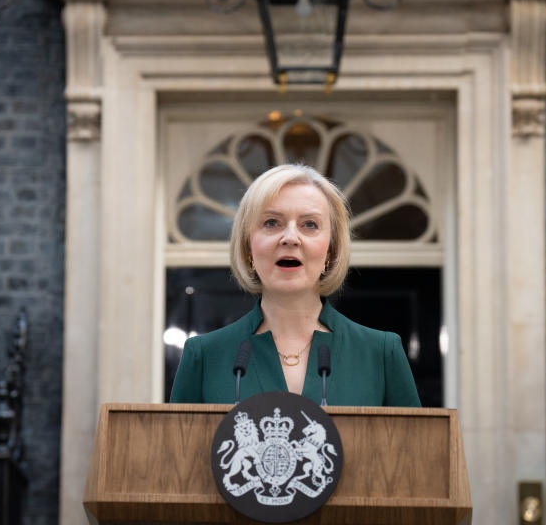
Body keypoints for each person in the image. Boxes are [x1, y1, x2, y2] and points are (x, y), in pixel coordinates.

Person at [169, 164, 421, 407]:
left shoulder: (380, 353)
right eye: (272, 223)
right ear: (248, 247)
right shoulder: (204, 356)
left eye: (309, 224)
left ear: (331, 250)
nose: (290, 238)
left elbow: (415, 448)